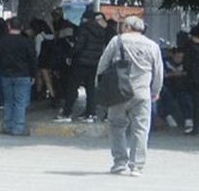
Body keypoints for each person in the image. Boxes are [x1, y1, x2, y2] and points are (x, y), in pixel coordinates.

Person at [97, 15, 164, 176]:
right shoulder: (152, 45)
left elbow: (103, 64)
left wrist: (100, 86)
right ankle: (137, 166)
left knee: (117, 126)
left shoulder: (117, 41)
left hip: (118, 91)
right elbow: (158, 72)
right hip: (142, 93)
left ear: (127, 27)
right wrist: (155, 91)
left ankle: (120, 163)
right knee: (141, 129)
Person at [0, 18, 38, 135]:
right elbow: (32, 60)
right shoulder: (27, 42)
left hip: (6, 74)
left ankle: (7, 126)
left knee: (8, 101)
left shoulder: (2, 41)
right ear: (22, 28)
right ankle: (18, 128)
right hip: (23, 74)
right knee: (20, 102)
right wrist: (33, 74)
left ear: (9, 26)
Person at [67, 10, 112, 121]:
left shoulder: (84, 29)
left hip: (81, 62)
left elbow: (79, 46)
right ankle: (91, 113)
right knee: (91, 88)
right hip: (95, 63)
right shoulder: (104, 31)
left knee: (73, 86)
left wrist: (70, 55)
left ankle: (66, 112)